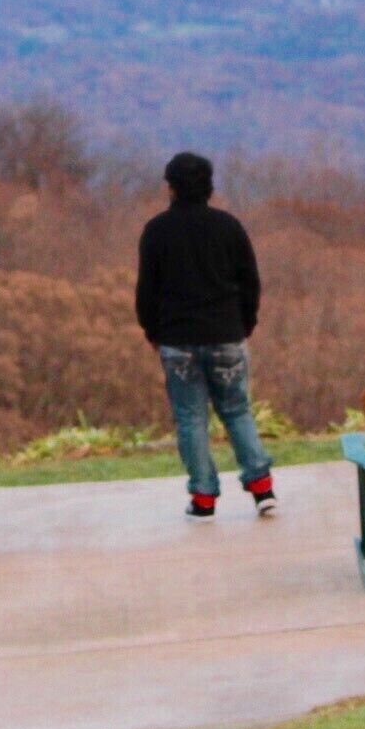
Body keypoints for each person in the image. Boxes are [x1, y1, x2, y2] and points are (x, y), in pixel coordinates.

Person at [134, 152, 275, 519]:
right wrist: (245, 324)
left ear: (171, 188)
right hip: (227, 334)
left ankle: (204, 498)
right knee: (237, 410)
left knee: (190, 418)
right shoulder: (229, 227)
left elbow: (147, 290)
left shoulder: (157, 231)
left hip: (177, 341)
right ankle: (262, 489)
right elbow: (250, 282)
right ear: (209, 187)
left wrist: (152, 331)